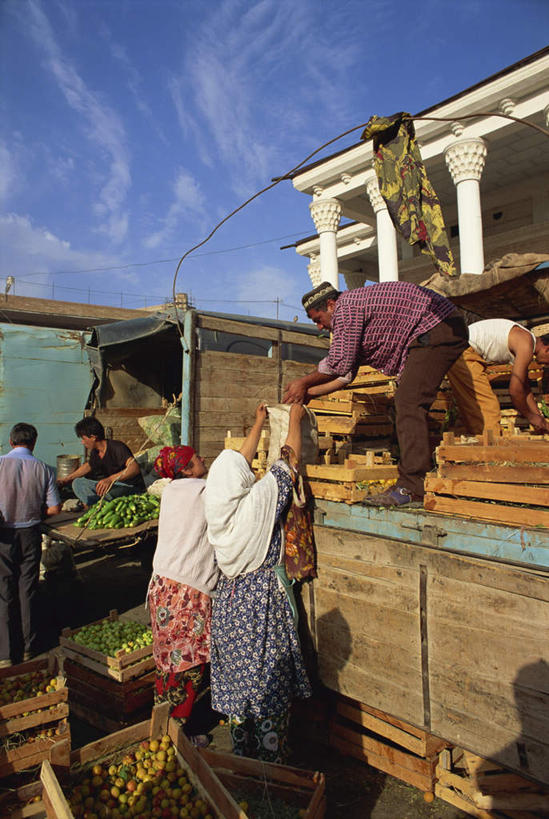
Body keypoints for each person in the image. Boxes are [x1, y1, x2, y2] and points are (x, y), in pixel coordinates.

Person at [283, 280, 468, 507]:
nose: (319, 327)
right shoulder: (351, 319)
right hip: (433, 330)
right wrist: (310, 393)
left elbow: (339, 363)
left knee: (408, 403)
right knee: (410, 401)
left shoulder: (346, 307)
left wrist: (302, 382)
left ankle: (412, 487)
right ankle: (419, 477)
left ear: (330, 304)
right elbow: (345, 375)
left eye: (317, 319)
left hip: (438, 325)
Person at [204, 403, 311, 763]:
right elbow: (289, 463)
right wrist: (293, 419)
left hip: (229, 607)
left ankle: (242, 759)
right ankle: (271, 768)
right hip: (260, 605)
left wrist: (258, 422)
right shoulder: (256, 505)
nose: (249, 467)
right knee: (269, 680)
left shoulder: (219, 510)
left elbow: (234, 465)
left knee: (239, 685)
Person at [147, 445, 219, 746]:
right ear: (187, 470)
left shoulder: (173, 491)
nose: (202, 459)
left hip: (162, 586)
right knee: (187, 663)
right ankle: (178, 736)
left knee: (168, 661)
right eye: (196, 459)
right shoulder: (200, 491)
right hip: (186, 592)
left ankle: (162, 724)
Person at [0, 423, 61, 667]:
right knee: (27, 589)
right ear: (33, 443)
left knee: (3, 592)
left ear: (11, 442)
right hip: (30, 533)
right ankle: (28, 648)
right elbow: (55, 508)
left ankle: (4, 654)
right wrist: (36, 513)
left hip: (3, 535)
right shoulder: (43, 468)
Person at [447, 319, 549, 435]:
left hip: (461, 349)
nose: (546, 365)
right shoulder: (526, 345)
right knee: (488, 408)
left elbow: (525, 388)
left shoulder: (525, 340)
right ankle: (489, 450)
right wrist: (530, 416)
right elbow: (515, 391)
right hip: (462, 350)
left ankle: (476, 444)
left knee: (474, 408)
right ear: (547, 350)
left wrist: (539, 419)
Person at [58, 417, 145, 506]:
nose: (82, 442)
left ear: (93, 437)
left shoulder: (117, 447)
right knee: (78, 483)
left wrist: (110, 479)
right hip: (112, 487)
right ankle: (98, 505)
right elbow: (88, 466)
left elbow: (134, 468)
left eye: (83, 439)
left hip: (128, 487)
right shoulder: (96, 452)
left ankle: (99, 504)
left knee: (107, 492)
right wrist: (66, 479)